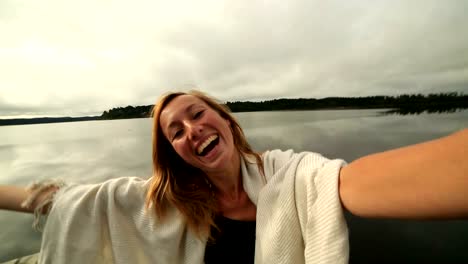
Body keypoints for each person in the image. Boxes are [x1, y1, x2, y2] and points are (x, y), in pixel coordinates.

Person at [1, 90, 467, 264]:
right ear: (177, 154)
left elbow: (354, 183)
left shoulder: (295, 177)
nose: (191, 130)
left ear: (224, 119)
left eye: (197, 114)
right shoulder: (165, 201)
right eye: (175, 132)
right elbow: (55, 202)